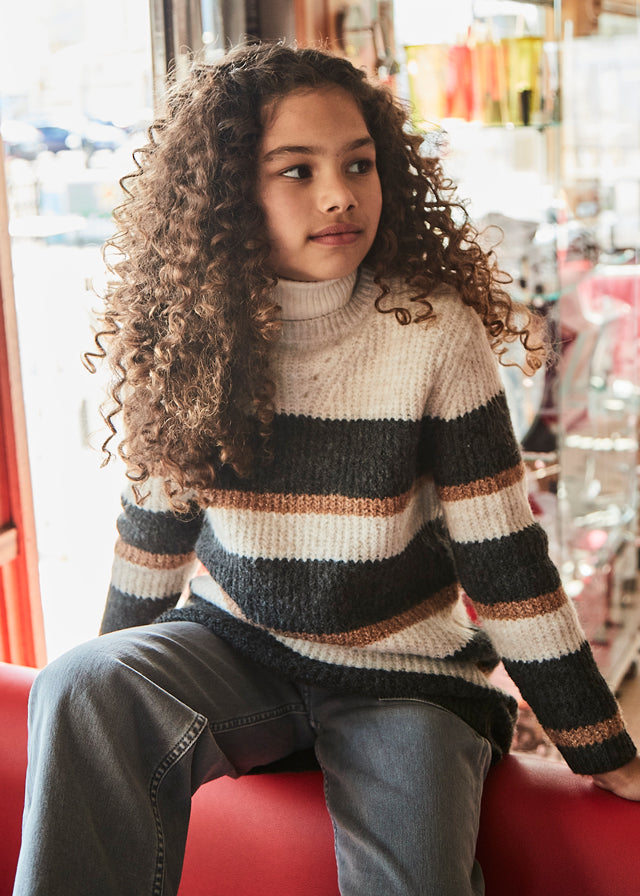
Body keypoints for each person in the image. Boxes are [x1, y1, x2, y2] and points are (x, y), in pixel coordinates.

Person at [13, 41, 640, 896]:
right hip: (238, 649)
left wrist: (599, 745)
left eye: (358, 163)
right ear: (230, 193)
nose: (340, 193)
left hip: (406, 681)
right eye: (296, 170)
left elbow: (505, 564)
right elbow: (153, 535)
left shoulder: (434, 332)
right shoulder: (189, 334)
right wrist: (123, 671)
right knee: (83, 684)